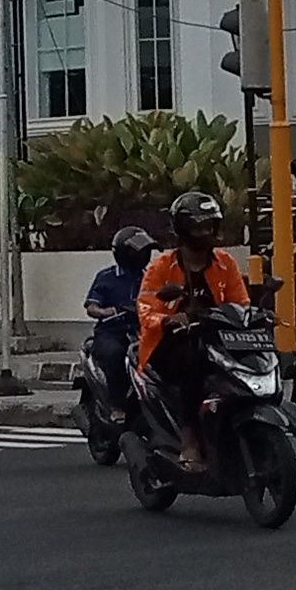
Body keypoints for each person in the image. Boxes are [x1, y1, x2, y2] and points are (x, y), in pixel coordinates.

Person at [130, 190, 250, 466]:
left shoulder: (226, 262)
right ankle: (190, 438)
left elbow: (240, 301)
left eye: (209, 225)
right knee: (193, 364)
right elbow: (146, 307)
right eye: (198, 226)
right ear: (183, 229)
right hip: (168, 343)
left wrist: (255, 315)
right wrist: (169, 319)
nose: (205, 231)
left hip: (217, 340)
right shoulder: (161, 267)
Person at [82, 225, 154, 410]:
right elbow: (91, 307)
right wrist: (107, 312)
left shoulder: (149, 279)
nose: (145, 255)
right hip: (111, 333)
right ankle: (117, 405)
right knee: (115, 355)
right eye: (141, 251)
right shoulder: (107, 277)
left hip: (142, 332)